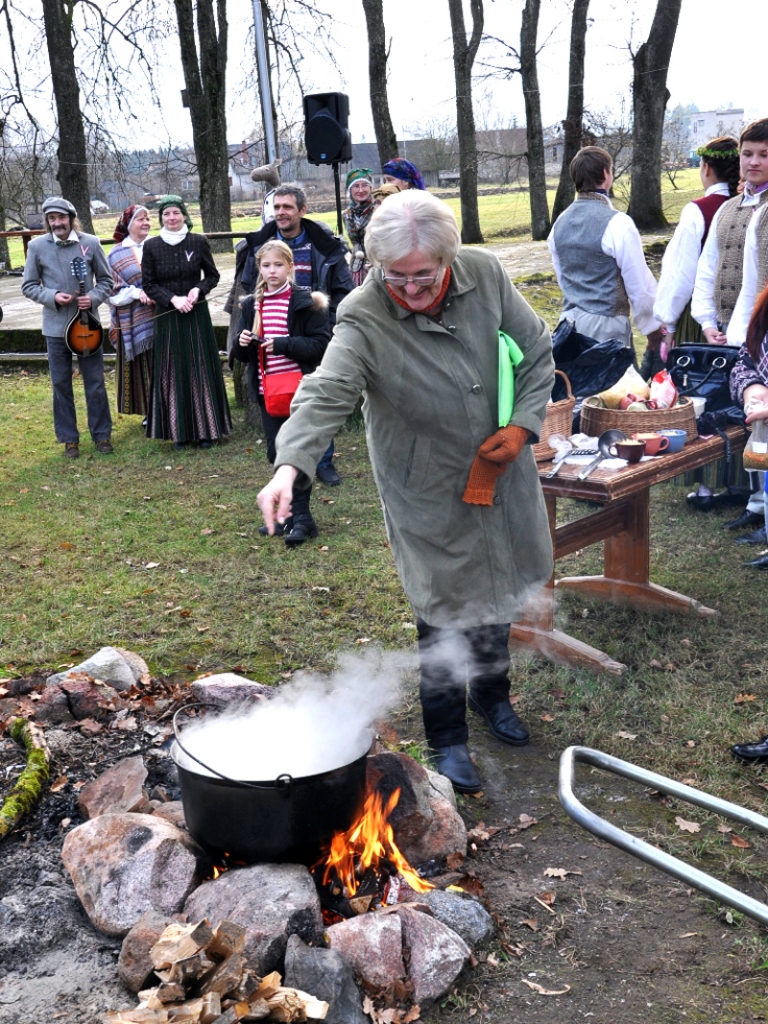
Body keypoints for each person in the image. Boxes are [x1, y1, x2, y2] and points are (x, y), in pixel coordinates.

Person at [257, 191, 554, 794]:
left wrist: (522, 425)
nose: (412, 289)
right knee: (443, 607)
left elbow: (536, 350)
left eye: (424, 276)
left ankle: (493, 698)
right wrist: (289, 466)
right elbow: (327, 391)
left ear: (448, 261)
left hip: (500, 463)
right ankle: (448, 737)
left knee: (500, 587)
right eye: (397, 277)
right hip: (425, 483)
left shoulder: (485, 273)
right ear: (374, 266)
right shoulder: (364, 315)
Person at [232, 184, 354, 486]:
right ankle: (286, 464)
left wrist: (327, 320)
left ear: (302, 210)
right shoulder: (259, 244)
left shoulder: (324, 245)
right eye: (276, 207)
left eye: (287, 207)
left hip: (313, 328)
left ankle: (323, 462)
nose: (281, 213)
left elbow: (343, 290)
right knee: (277, 399)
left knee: (316, 402)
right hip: (272, 332)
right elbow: (248, 287)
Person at [691, 119, 768, 533]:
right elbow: (709, 269)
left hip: (758, 328)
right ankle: (756, 501)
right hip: (736, 327)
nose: (753, 162)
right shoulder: (726, 209)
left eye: (763, 155)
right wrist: (706, 321)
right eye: (747, 154)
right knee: (751, 415)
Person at [230, 240, 331, 547]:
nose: (271, 271)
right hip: (267, 391)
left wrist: (284, 343)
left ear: (290, 266)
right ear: (258, 268)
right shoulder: (252, 305)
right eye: (265, 266)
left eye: (277, 265)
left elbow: (321, 345)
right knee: (277, 453)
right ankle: (287, 516)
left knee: (296, 452)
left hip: (300, 390)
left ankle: (303, 520)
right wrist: (243, 342)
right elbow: (240, 356)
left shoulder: (307, 301)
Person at [21, 196, 114, 458]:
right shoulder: (38, 247)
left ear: (71, 218)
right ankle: (69, 439)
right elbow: (29, 286)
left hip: (88, 326)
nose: (57, 223)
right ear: (47, 221)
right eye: (52, 218)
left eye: (61, 217)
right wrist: (52, 297)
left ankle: (102, 435)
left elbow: (107, 281)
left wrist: (93, 297)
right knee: (61, 384)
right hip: (55, 327)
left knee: (95, 382)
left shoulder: (91, 243)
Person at [547, 146, 662, 355]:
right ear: (605, 174)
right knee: (617, 387)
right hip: (606, 327)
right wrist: (652, 326)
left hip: (569, 324)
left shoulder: (558, 225)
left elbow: (563, 278)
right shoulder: (618, 223)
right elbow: (638, 282)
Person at [142, 195, 232, 450]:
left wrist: (197, 290)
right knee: (173, 368)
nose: (171, 218)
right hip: (168, 316)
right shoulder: (152, 246)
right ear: (161, 218)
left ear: (184, 215)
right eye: (166, 214)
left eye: (176, 213)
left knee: (199, 365)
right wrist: (171, 299)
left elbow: (212, 275)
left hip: (195, 313)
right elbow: (148, 284)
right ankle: (178, 431)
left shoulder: (198, 241)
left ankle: (207, 430)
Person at [650, 137, 739, 374]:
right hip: (740, 313)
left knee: (697, 385)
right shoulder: (745, 205)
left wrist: (668, 325)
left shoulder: (698, 210)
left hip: (699, 318)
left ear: (706, 168)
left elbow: (681, 273)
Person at [107, 204, 155, 419]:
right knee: (143, 366)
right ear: (128, 225)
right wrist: (137, 293)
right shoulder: (116, 254)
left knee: (163, 362)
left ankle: (166, 407)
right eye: (140, 219)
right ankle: (149, 412)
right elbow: (112, 291)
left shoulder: (157, 245)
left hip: (163, 313)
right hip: (133, 319)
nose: (146, 223)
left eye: (147, 218)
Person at [343, 168, 375, 287]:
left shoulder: (378, 210)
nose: (361, 190)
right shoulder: (346, 215)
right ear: (350, 190)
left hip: (376, 264)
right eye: (356, 186)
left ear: (371, 188)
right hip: (356, 267)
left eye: (365, 185)